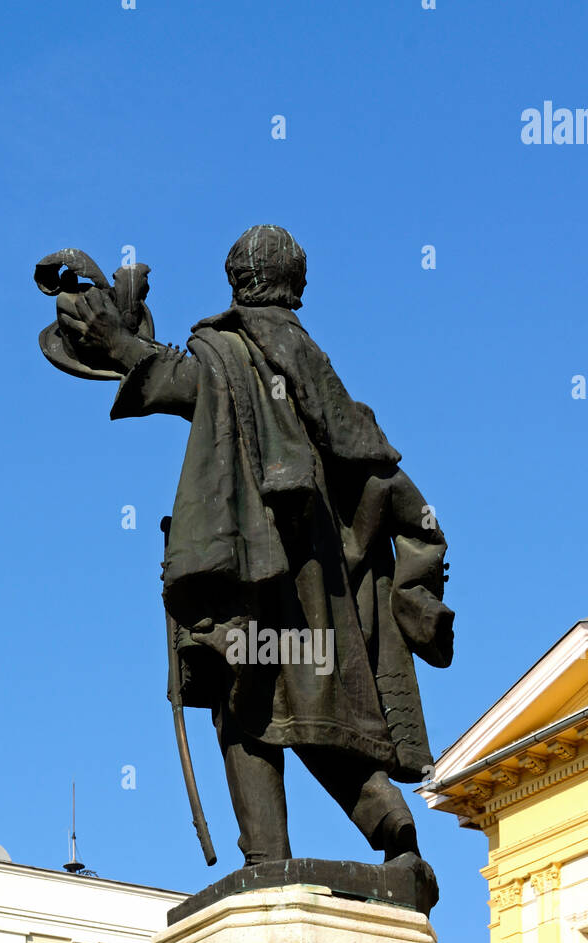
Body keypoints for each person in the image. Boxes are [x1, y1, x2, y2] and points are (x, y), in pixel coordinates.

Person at [59, 226, 453, 896]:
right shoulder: (301, 361)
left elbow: (186, 386)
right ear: (297, 283)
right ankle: (392, 836)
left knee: (248, 703)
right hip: (309, 578)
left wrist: (122, 347)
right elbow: (372, 461)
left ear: (237, 279)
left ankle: (275, 857)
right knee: (308, 708)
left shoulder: (236, 350)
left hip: (267, 570)